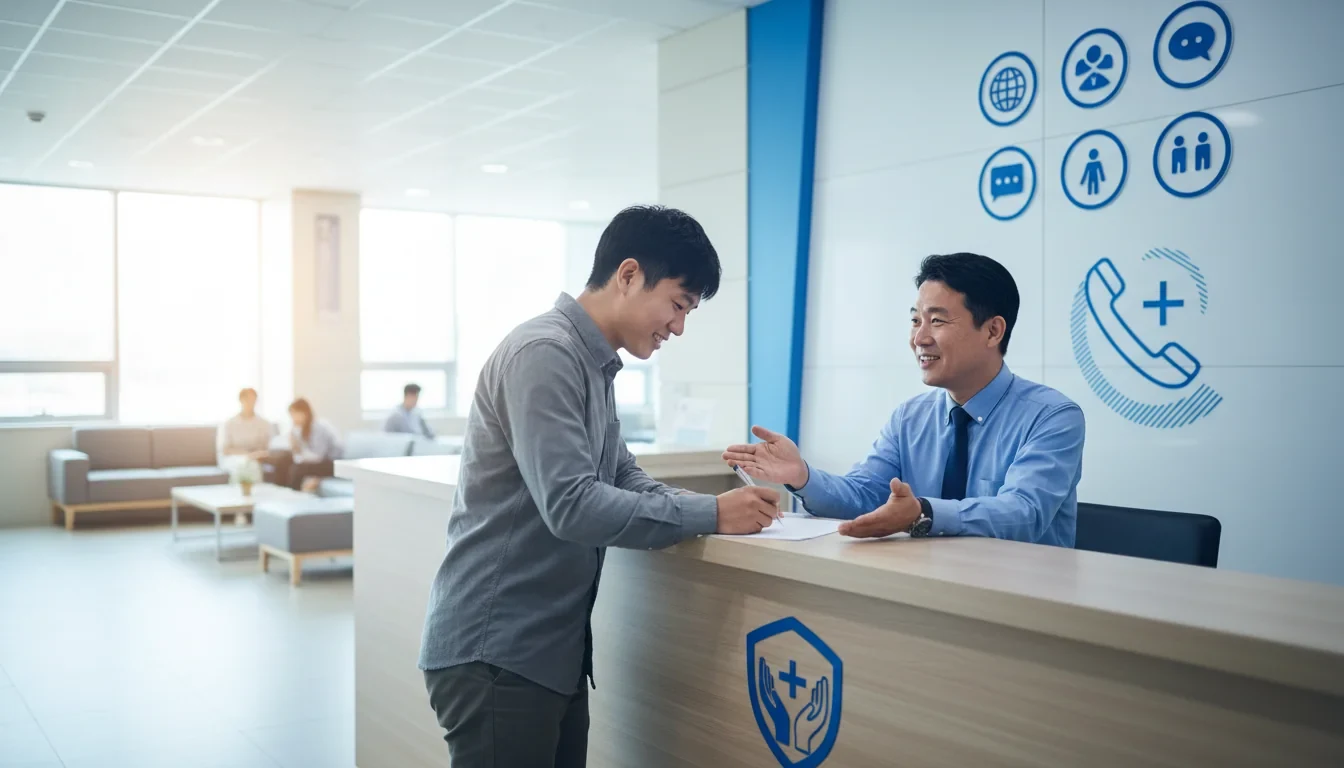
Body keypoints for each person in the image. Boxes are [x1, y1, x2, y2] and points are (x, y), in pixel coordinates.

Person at [419, 205, 781, 768]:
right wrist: (712, 515)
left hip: (546, 654)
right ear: (629, 275)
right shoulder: (546, 353)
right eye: (678, 304)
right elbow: (572, 505)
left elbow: (622, 475)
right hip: (499, 653)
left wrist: (718, 506)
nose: (678, 327)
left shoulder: (591, 363)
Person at [723, 252, 1085, 546]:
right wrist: (802, 475)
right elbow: (863, 496)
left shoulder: (1052, 417)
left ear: (993, 331)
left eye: (937, 321)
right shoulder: (910, 418)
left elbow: (1023, 513)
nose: (919, 338)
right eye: (915, 321)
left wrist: (923, 512)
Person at [217, 387, 274, 525]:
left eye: (254, 399)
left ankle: (259, 509)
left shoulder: (264, 423)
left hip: (256, 459)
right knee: (243, 465)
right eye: (247, 399)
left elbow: (270, 446)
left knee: (253, 465)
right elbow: (225, 449)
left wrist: (258, 454)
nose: (251, 402)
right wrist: (247, 455)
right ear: (240, 400)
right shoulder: (230, 423)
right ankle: (240, 511)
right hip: (233, 458)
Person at [286, 398, 343, 493]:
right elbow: (302, 456)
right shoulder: (302, 429)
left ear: (304, 413)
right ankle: (286, 493)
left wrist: (298, 449)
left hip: (333, 464)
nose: (293, 418)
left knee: (298, 469)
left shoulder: (319, 427)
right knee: (285, 459)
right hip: (321, 463)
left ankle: (294, 495)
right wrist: (295, 445)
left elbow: (318, 457)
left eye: (294, 414)